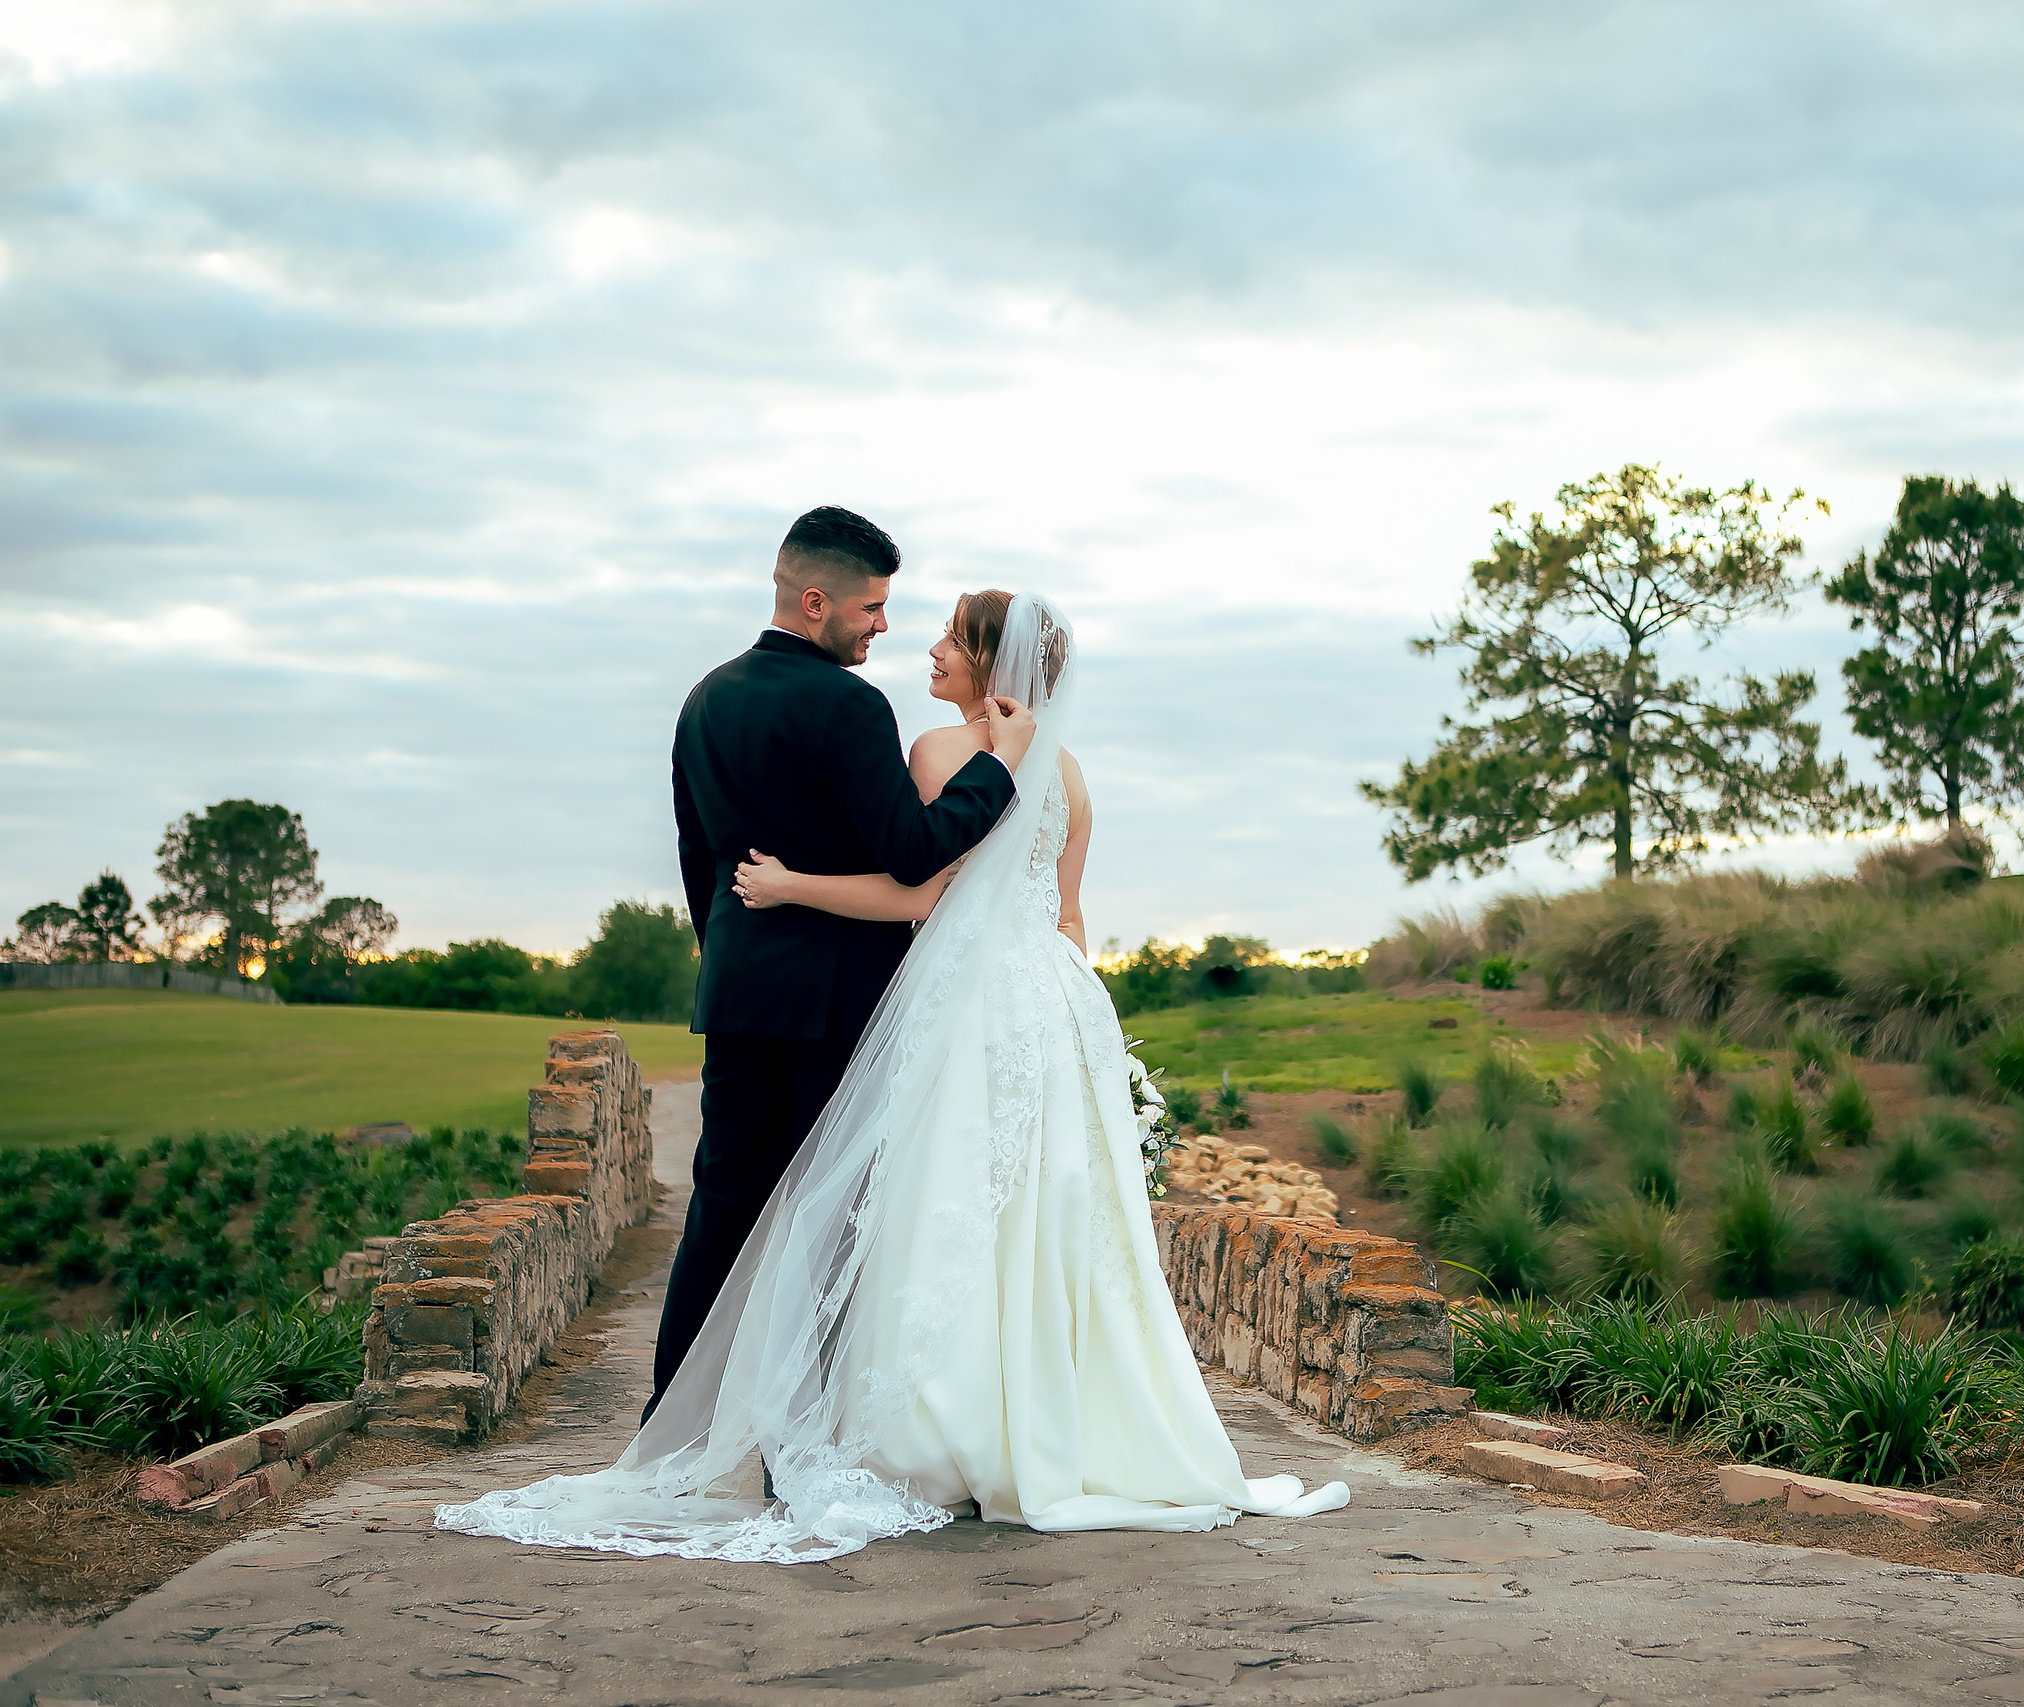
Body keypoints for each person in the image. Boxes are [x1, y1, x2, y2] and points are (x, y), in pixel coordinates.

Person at [438, 587, 1348, 1560]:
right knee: (1040, 1221)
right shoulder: (1072, 774)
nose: (930, 650)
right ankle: (1054, 1429)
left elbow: (914, 889)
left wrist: (788, 886)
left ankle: (939, 1434)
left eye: (950, 639)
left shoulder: (937, 753)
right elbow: (1069, 919)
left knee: (941, 1203)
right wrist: (1090, 1033)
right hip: (1054, 1005)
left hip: (965, 1002)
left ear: (990, 665)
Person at [651, 506, 1031, 1412]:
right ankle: (806, 1440)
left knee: (721, 1210)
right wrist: (1001, 767)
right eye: (870, 609)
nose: (884, 627)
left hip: (741, 995)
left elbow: (698, 860)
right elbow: (913, 849)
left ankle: (668, 1422)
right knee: (834, 1219)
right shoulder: (851, 706)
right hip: (843, 1003)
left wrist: (736, 961)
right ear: (815, 601)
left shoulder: (704, 698)